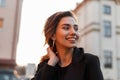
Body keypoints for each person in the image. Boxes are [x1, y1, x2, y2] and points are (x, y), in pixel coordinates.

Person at [31, 11, 104, 80]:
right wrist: (52, 62)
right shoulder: (45, 66)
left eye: (76, 28)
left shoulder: (90, 61)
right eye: (66, 28)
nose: (73, 32)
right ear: (53, 35)